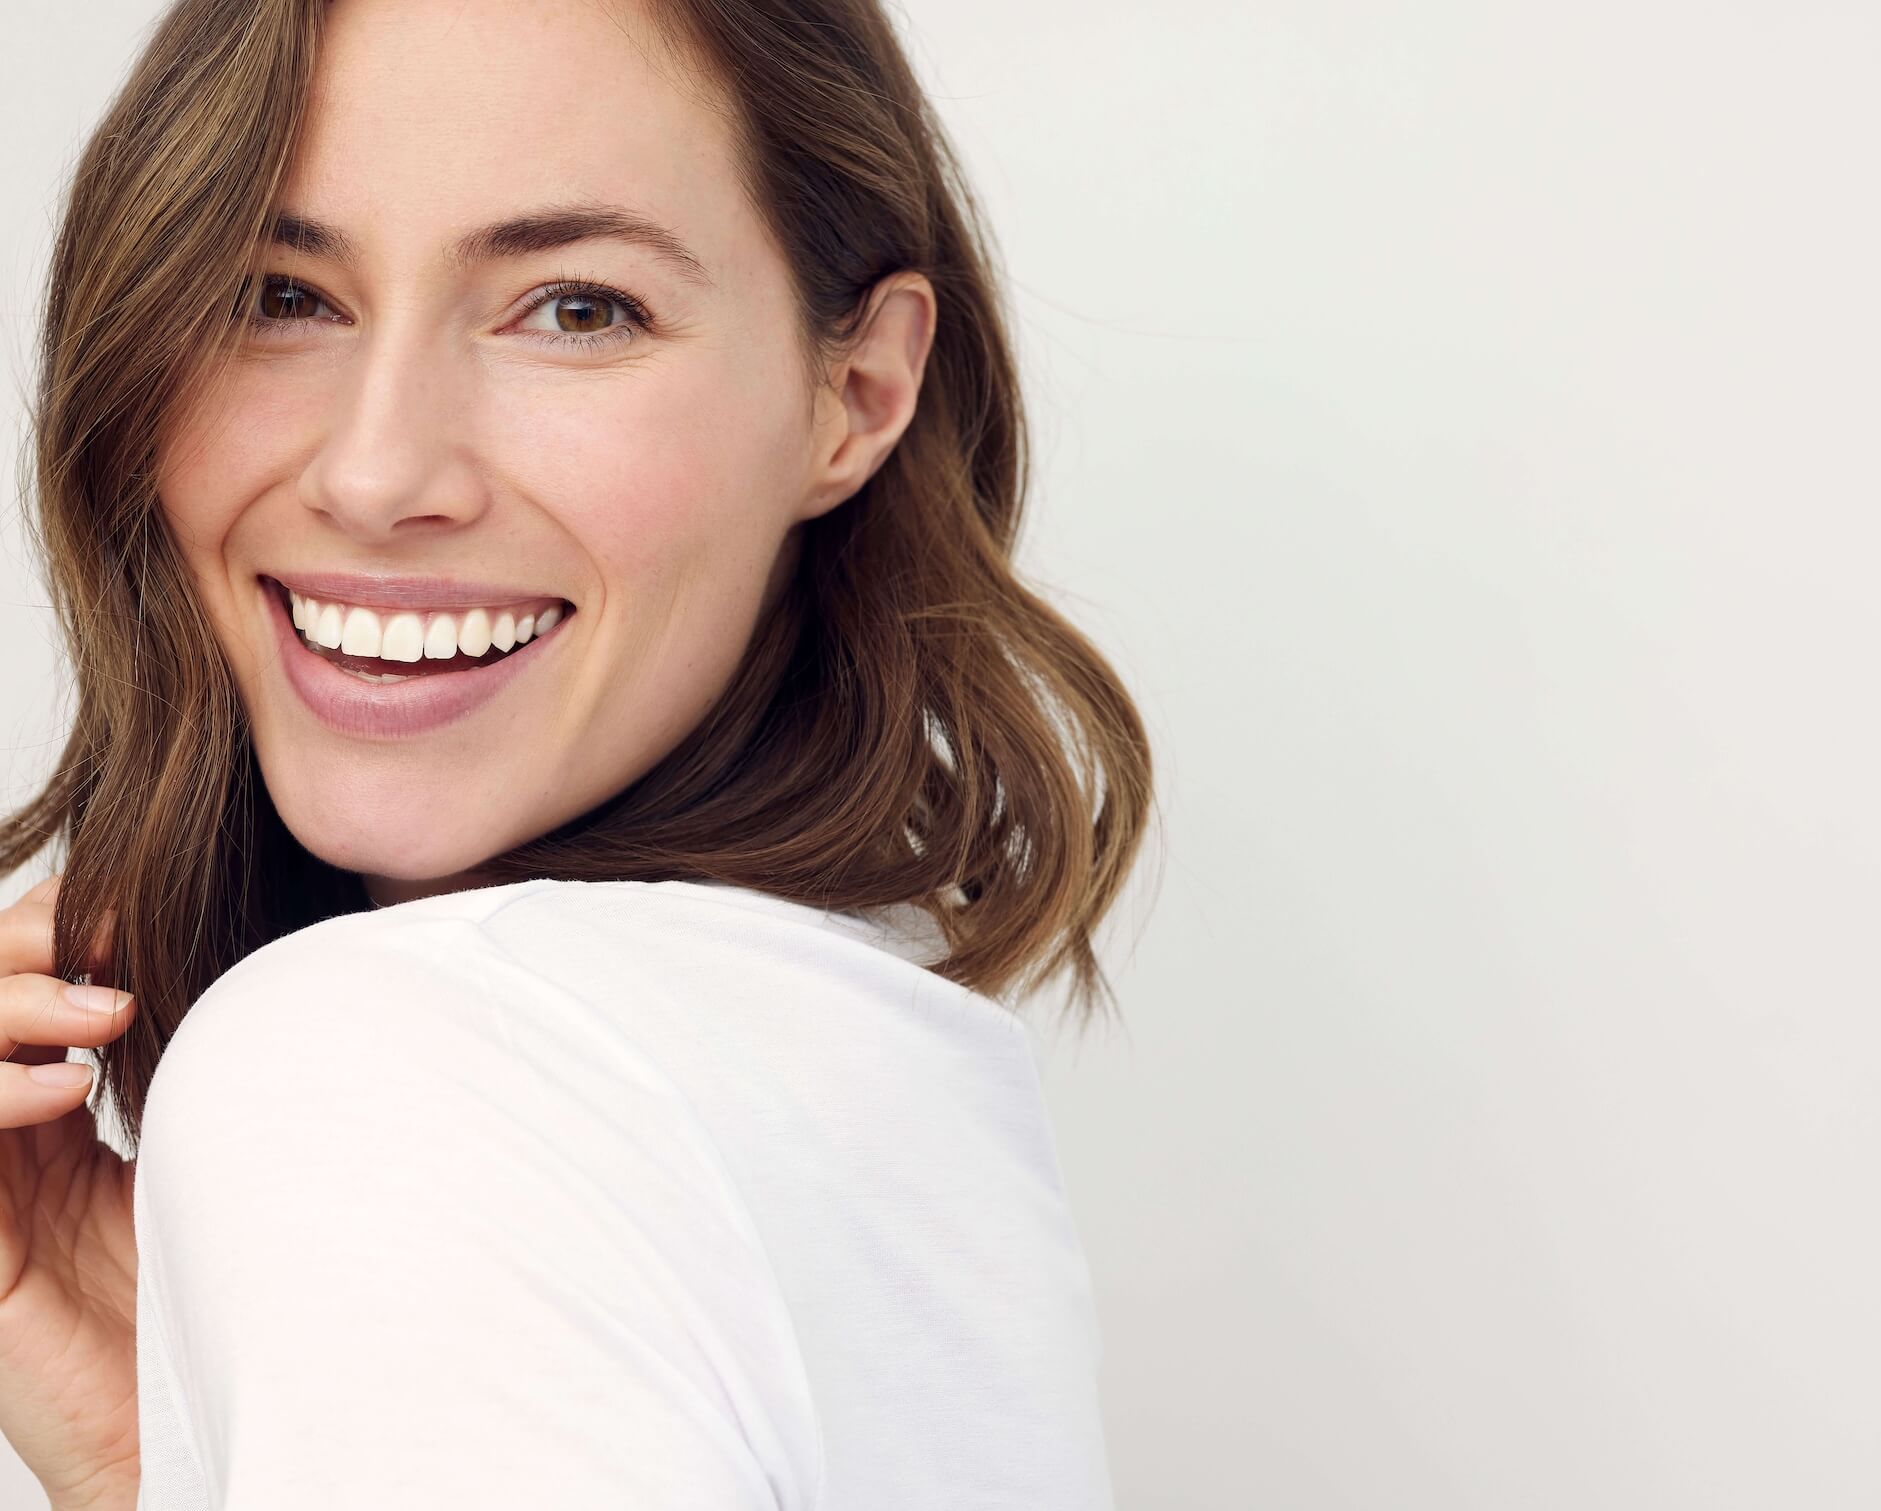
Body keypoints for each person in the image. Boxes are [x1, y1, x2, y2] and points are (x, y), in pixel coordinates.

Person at [0, 0, 1154, 1504]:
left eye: (578, 308)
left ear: (855, 394)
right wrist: (178, 1458)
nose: (376, 471)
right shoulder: (856, 1078)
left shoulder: (386, 1057)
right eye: (279, 293)